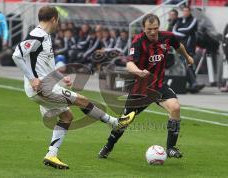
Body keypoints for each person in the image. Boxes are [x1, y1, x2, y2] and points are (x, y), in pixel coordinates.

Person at [12, 6, 135, 169]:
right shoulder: (37, 35)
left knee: (66, 117)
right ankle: (115, 123)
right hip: (41, 88)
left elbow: (44, 67)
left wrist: (61, 77)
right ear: (54, 19)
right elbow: (17, 55)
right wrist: (32, 78)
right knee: (82, 100)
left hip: (45, 86)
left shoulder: (46, 36)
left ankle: (51, 155)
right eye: (58, 20)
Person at [98, 13, 194, 159]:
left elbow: (178, 46)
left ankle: (171, 148)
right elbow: (129, 63)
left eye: (155, 28)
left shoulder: (167, 37)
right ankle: (108, 146)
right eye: (149, 29)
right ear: (143, 28)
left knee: (175, 107)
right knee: (125, 121)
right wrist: (138, 71)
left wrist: (187, 57)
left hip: (159, 85)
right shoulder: (138, 41)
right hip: (140, 88)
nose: (153, 32)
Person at [173, 5, 204, 93]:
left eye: (187, 11)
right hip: (179, 47)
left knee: (188, 64)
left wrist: (179, 31)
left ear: (190, 12)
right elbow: (174, 31)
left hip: (189, 47)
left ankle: (193, 84)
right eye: (184, 11)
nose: (185, 12)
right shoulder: (179, 20)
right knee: (186, 65)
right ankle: (193, 84)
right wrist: (182, 34)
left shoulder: (193, 20)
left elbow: (189, 29)